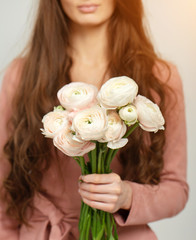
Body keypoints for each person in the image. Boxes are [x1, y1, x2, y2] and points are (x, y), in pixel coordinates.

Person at [0, 0, 188, 239]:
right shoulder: (21, 76)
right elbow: (3, 191)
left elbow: (176, 190)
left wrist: (128, 196)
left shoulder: (160, 78)